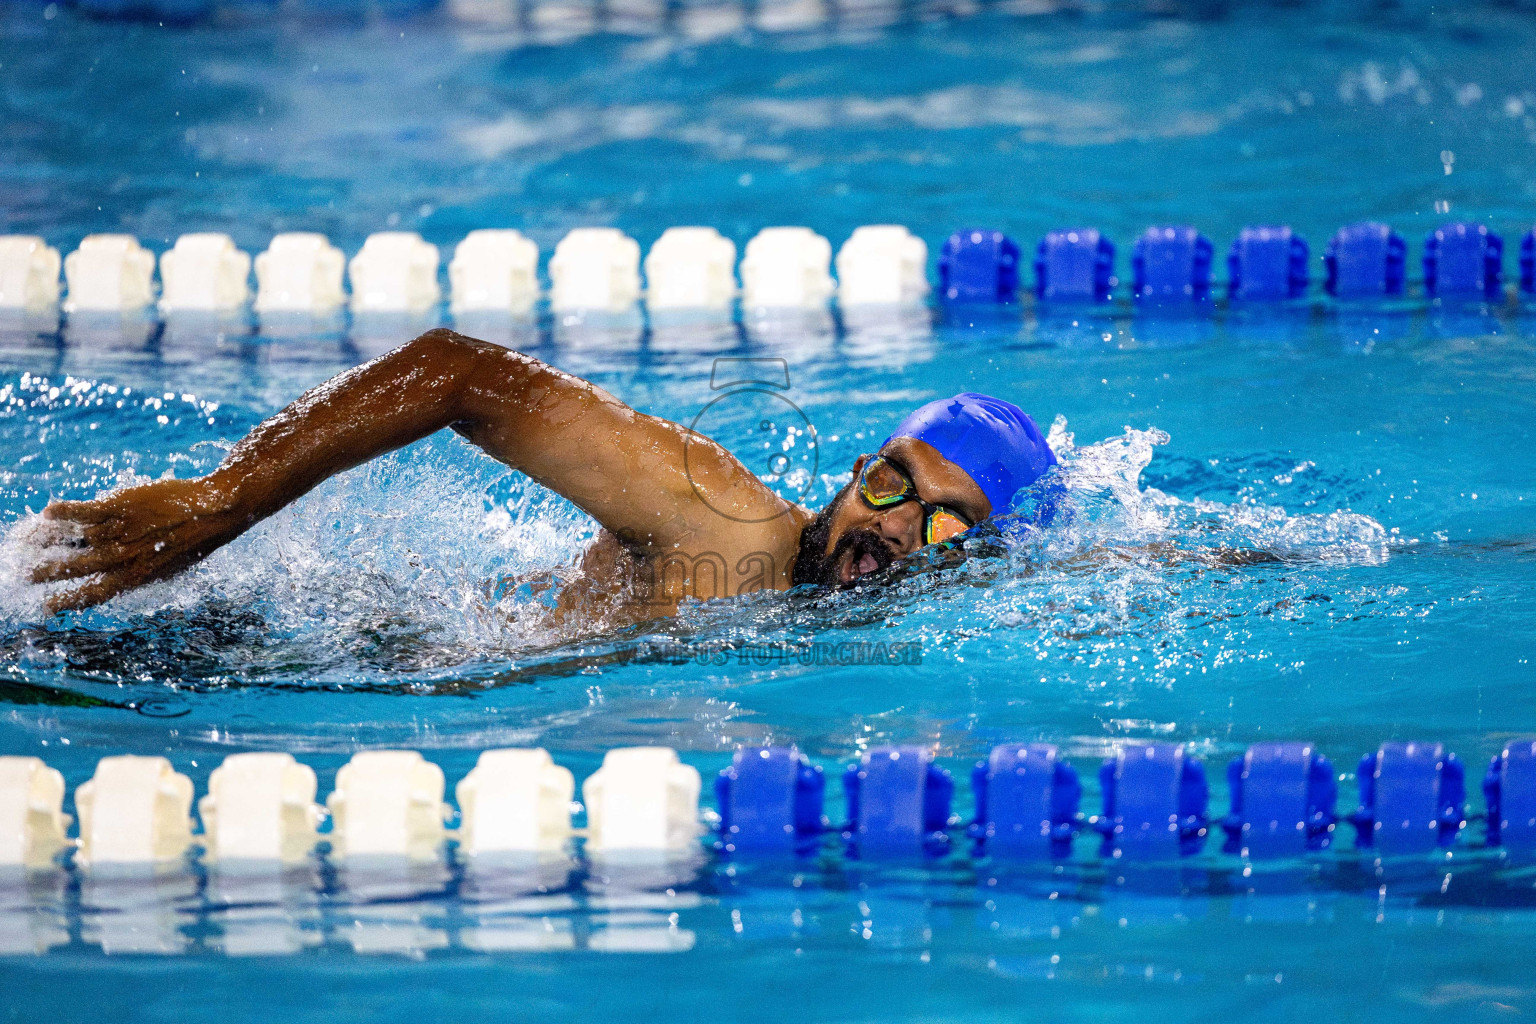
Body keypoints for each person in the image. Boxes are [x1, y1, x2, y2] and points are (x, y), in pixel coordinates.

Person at [29, 329, 1058, 622]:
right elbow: (458, 373)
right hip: (331, 649)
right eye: (890, 482)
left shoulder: (977, 602)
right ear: (853, 472)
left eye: (943, 519)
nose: (891, 524)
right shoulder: (722, 523)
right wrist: (223, 500)